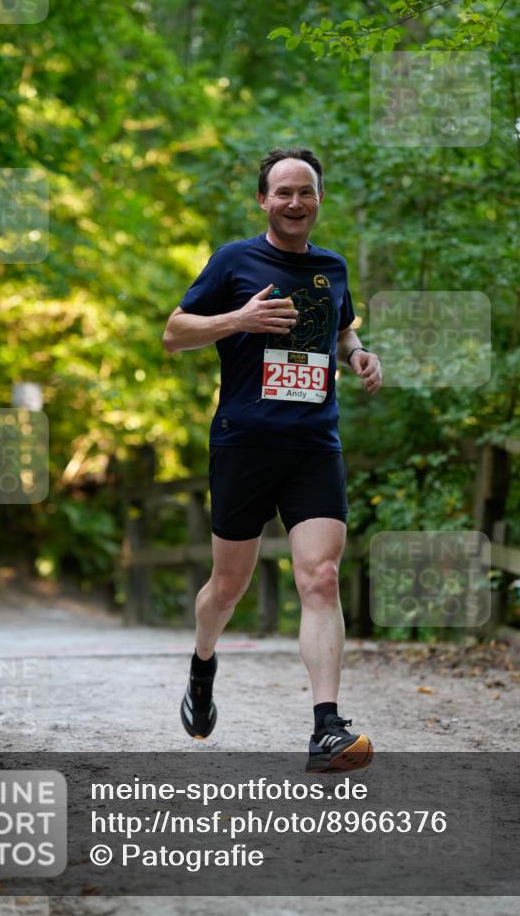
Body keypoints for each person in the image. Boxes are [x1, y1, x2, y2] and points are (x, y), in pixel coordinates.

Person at [163, 147, 382, 772]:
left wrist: (357, 353)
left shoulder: (332, 267)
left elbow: (341, 328)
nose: (294, 201)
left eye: (305, 191)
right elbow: (174, 333)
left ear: (319, 199)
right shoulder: (233, 261)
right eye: (282, 191)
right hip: (245, 442)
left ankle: (326, 728)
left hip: (314, 443)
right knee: (227, 586)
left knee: (321, 577)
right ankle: (203, 661)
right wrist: (239, 318)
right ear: (263, 200)